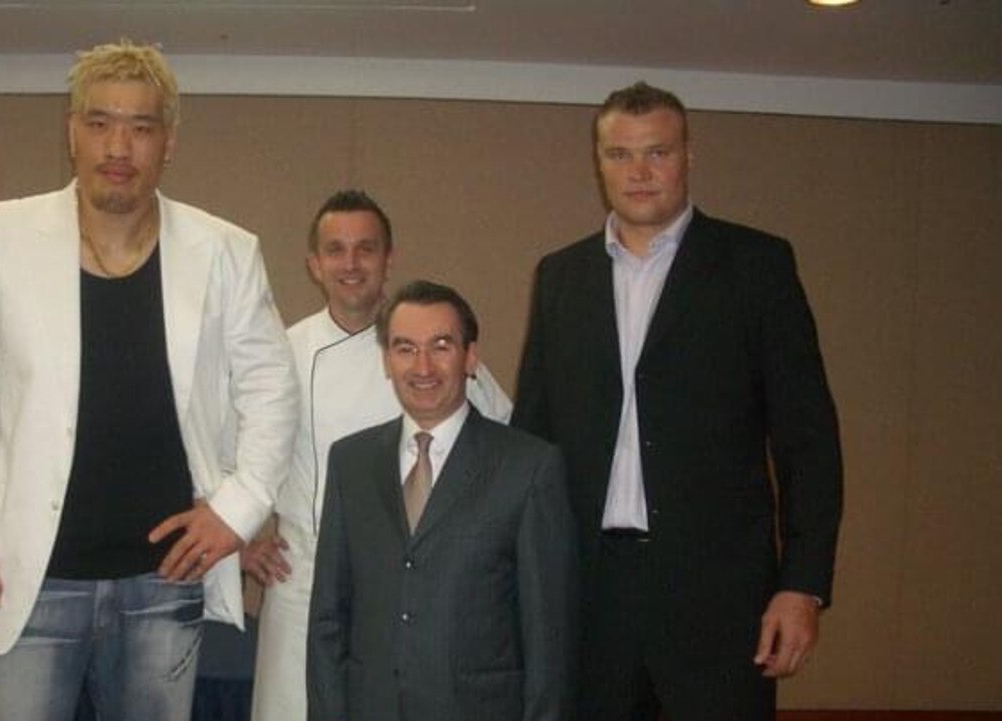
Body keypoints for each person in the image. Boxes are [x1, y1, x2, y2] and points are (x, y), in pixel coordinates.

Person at [0, 39, 297, 721]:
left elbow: (273, 389)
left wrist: (238, 509)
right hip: (26, 578)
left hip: (165, 580)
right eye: (99, 123)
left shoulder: (226, 251)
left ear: (168, 142)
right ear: (72, 131)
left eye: (141, 126)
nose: (118, 144)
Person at [513, 81, 844, 720]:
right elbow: (533, 442)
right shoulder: (561, 277)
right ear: (599, 161)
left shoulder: (757, 266)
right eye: (620, 155)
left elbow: (809, 440)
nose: (638, 172)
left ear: (688, 156)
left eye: (657, 152)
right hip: (590, 595)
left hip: (721, 600)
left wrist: (803, 585)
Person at [244, 191, 513, 721]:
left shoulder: (431, 351)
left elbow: (504, 441)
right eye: (336, 250)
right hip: (303, 581)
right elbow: (230, 447)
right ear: (314, 264)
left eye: (365, 249)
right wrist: (243, 538)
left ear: (388, 260)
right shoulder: (280, 352)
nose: (351, 264)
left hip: (417, 589)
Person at [307, 280, 573, 721]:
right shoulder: (350, 462)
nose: (422, 366)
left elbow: (549, 639)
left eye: (441, 346)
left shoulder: (529, 467)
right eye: (405, 348)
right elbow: (328, 621)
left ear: (471, 357)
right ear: (388, 361)